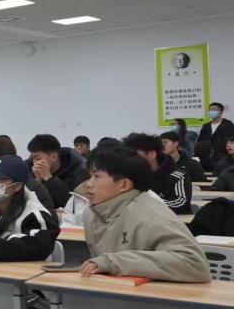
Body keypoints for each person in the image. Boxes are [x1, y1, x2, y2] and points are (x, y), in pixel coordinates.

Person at [79, 146, 210, 282]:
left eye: (97, 176)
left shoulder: (151, 215)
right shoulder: (91, 213)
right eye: (90, 176)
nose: (88, 184)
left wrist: (113, 262)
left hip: (157, 292)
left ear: (123, 185)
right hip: (115, 289)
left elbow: (195, 264)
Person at [27, 134, 90, 209]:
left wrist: (48, 178)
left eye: (37, 158)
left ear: (54, 157)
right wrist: (38, 182)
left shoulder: (80, 171)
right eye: (33, 159)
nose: (35, 163)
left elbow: (74, 206)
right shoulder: (33, 169)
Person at [199, 102, 234, 167]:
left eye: (214, 109)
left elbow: (230, 141)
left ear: (221, 112)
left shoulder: (228, 125)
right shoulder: (206, 126)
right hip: (206, 159)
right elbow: (200, 141)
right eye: (210, 110)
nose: (211, 111)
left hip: (223, 158)